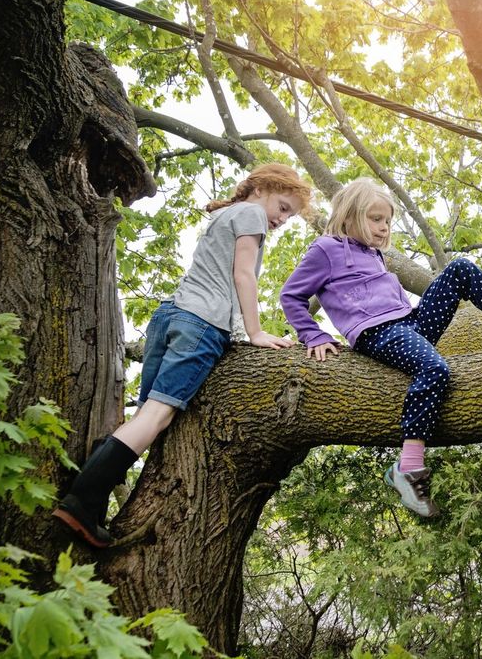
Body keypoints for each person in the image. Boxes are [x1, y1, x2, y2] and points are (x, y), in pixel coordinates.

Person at [53, 163, 312, 548]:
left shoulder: (225, 214)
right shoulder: (252, 214)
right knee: (158, 416)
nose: (283, 218)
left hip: (170, 315)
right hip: (201, 324)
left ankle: (91, 483)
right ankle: (82, 501)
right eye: (284, 206)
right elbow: (244, 275)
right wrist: (254, 333)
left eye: (290, 214)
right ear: (261, 189)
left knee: (145, 416)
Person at [280, 179, 482, 518]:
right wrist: (314, 335)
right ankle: (408, 468)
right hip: (377, 333)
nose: (384, 227)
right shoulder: (325, 249)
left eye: (387, 221)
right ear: (350, 215)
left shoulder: (374, 254)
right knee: (435, 369)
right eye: (376, 219)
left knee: (459, 268)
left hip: (409, 323)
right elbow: (291, 295)